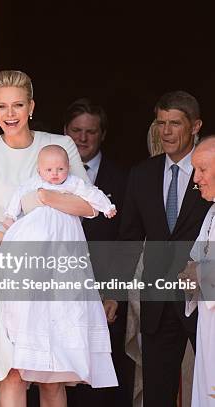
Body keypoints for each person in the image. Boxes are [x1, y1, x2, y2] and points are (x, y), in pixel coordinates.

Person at [0, 70, 102, 407]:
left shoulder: (60, 145)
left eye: (18, 105)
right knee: (12, 371)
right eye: (2, 106)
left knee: (52, 373)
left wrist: (44, 197)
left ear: (32, 107)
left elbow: (88, 205)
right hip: (7, 266)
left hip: (56, 269)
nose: (10, 114)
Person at [117, 91, 212, 406]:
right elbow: (129, 238)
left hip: (204, 299)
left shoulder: (209, 170)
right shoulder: (142, 174)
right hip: (157, 299)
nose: (166, 131)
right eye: (161, 123)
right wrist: (112, 292)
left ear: (196, 125)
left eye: (175, 123)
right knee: (158, 392)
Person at [63, 98, 133, 406]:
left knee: (102, 386)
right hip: (60, 295)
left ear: (102, 133)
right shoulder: (47, 176)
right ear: (65, 132)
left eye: (90, 131)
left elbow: (128, 241)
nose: (83, 138)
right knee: (59, 379)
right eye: (76, 130)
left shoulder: (124, 178)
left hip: (105, 299)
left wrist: (115, 293)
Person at [179, 135, 215, 407]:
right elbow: (196, 260)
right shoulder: (211, 213)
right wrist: (190, 275)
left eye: (202, 169)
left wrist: (199, 274)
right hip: (208, 324)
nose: (195, 178)